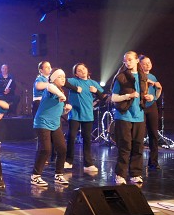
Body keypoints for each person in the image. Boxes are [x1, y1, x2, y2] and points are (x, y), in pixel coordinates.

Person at [111, 51, 151, 185]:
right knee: (125, 146)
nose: (127, 62)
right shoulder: (121, 77)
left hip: (138, 116)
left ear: (136, 60)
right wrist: (128, 96)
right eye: (125, 60)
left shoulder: (142, 76)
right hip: (124, 115)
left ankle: (136, 174)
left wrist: (148, 97)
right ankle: (120, 174)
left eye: (130, 60)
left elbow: (144, 93)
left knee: (138, 146)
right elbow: (114, 97)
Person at [30, 69, 71, 187]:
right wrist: (61, 95)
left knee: (62, 149)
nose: (63, 79)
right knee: (45, 149)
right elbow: (49, 86)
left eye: (64, 77)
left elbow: (56, 111)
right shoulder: (51, 89)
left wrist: (65, 110)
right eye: (60, 77)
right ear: (53, 79)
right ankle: (35, 176)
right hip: (42, 122)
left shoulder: (60, 91)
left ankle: (59, 174)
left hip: (55, 124)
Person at [64, 63, 105, 173]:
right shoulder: (74, 81)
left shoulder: (93, 83)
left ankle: (88, 164)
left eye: (83, 68)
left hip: (87, 115)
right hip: (75, 114)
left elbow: (103, 96)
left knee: (87, 139)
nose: (82, 71)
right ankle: (68, 161)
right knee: (71, 137)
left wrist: (96, 91)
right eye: (79, 70)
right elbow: (63, 82)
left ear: (87, 69)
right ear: (76, 74)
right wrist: (75, 88)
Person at [139, 56, 163, 170]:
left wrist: (156, 94)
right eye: (144, 63)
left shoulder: (153, 76)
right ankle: (137, 162)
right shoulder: (137, 76)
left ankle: (153, 162)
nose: (148, 65)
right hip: (141, 107)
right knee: (140, 135)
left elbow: (156, 94)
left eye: (149, 62)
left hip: (152, 106)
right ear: (140, 65)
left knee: (153, 133)